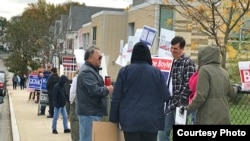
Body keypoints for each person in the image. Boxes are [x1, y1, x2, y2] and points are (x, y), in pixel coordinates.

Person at [109, 41, 171, 141]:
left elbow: (116, 97)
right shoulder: (157, 72)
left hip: (130, 121)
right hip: (151, 121)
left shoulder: (124, 71)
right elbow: (165, 96)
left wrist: (113, 118)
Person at [182, 45, 236, 124]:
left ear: (203, 56)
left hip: (208, 116)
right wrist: (237, 88)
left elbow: (201, 96)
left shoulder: (204, 70)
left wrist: (187, 109)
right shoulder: (224, 72)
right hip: (223, 116)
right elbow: (231, 92)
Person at [158, 36, 196, 141]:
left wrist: (180, 102)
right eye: (172, 48)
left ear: (182, 49)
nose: (172, 50)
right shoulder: (171, 63)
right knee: (162, 132)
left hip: (181, 105)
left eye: (175, 48)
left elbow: (189, 84)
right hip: (169, 103)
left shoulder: (188, 63)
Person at [76, 46, 113, 141]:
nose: (101, 60)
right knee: (87, 138)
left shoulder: (91, 71)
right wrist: (107, 90)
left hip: (91, 112)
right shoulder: (86, 72)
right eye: (99, 57)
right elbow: (94, 90)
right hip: (89, 112)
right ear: (90, 58)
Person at [69, 70, 79, 141]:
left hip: (75, 103)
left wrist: (71, 101)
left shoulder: (76, 78)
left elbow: (72, 93)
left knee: (74, 121)